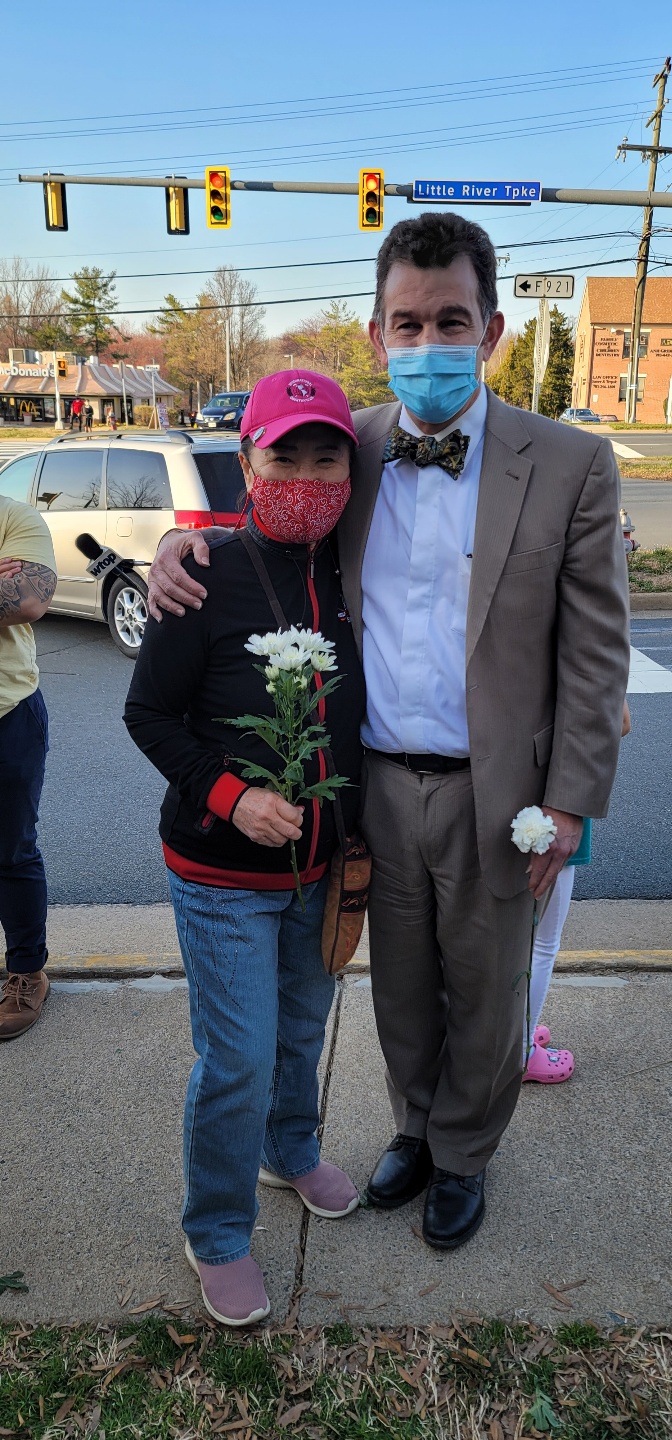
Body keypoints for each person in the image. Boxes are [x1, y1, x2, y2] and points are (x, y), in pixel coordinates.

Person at [146, 211, 630, 1252]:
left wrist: (572, 802)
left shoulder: (571, 463)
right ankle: (415, 1125)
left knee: (489, 991)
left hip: (501, 791)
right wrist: (179, 551)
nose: (427, 345)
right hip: (370, 783)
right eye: (406, 324)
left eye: (450, 320)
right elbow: (272, 513)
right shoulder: (350, 445)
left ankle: (465, 1152)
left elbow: (597, 651)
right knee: (400, 984)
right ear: (375, 336)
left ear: (491, 328)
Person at [124, 371, 365, 1327]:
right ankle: (217, 1229)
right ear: (248, 464)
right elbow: (148, 716)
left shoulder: (355, 564)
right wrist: (232, 795)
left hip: (323, 868)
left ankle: (292, 1147)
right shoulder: (203, 576)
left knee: (303, 1031)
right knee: (237, 1054)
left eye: (326, 455)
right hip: (222, 874)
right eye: (284, 455)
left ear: (352, 466)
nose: (306, 475)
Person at [523, 699, 632, 1083]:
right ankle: (521, 1050)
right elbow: (619, 722)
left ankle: (505, 1038)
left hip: (503, 795)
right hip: (559, 802)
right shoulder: (579, 651)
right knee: (541, 943)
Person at [0, 489, 56, 1040]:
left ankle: (25, 971)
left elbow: (28, 601)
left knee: (12, 850)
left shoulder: (13, 515)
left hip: (8, 714)